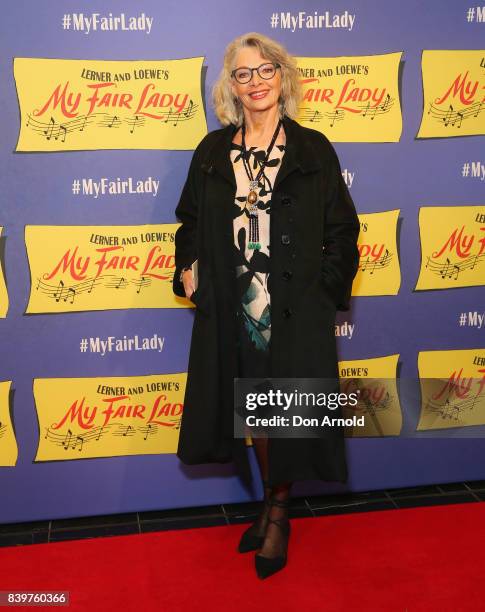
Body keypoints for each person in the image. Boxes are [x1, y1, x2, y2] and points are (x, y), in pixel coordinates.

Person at [172, 32, 360, 579]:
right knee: (251, 411)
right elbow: (188, 220)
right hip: (232, 307)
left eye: (264, 71)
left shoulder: (311, 148)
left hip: (292, 308)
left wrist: (324, 287)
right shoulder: (212, 151)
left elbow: (343, 230)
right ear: (229, 87)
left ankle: (277, 512)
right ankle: (271, 506)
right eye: (242, 74)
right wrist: (190, 271)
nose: (255, 82)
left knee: (285, 414)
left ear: (283, 76)